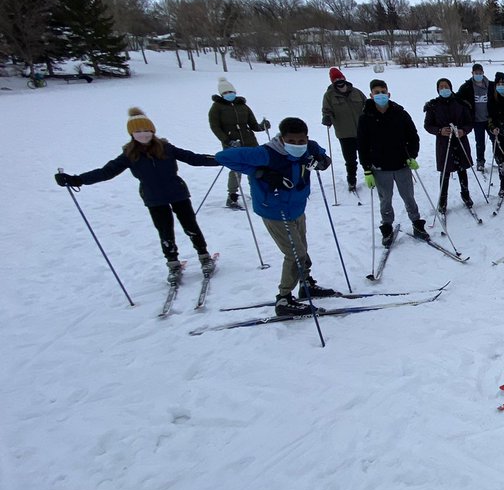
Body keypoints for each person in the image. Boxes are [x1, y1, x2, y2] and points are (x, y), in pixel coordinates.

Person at [56, 107, 220, 284]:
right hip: (153, 197)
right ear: (132, 133)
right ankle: (173, 264)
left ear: (152, 131)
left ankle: (204, 256)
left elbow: (194, 158)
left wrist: (223, 159)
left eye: (146, 131)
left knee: (190, 226)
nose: (143, 135)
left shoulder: (166, 148)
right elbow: (107, 172)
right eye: (138, 131)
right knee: (165, 231)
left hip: (177, 193)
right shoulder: (129, 154)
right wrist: (77, 180)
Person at [216, 117, 337, 315]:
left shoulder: (310, 147)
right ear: (281, 139)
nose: (297, 145)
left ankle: (305, 283)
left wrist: (322, 162)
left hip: (297, 206)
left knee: (302, 248)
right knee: (294, 253)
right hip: (274, 209)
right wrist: (260, 173)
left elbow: (323, 158)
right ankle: (284, 298)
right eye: (292, 141)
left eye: (301, 141)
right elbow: (223, 157)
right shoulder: (265, 154)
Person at [357, 78, 428, 245]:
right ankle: (387, 227)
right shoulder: (365, 117)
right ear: (371, 95)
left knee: (408, 196)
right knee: (385, 199)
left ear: (388, 94)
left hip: (402, 164)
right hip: (380, 168)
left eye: (383, 92)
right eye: (377, 93)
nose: (380, 95)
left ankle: (417, 224)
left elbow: (413, 136)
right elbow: (362, 145)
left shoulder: (400, 113)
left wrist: (412, 155)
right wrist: (367, 169)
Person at [208, 77, 269, 209]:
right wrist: (227, 140)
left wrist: (262, 126)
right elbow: (215, 127)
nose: (229, 94)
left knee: (256, 166)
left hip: (250, 141)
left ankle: (257, 192)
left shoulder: (243, 106)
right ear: (221, 94)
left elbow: (253, 125)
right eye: (225, 93)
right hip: (232, 144)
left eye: (231, 91)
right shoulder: (216, 108)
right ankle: (232, 196)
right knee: (236, 169)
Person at [423, 77, 474, 214]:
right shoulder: (433, 106)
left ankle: (465, 194)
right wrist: (439, 131)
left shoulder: (460, 103)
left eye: (446, 86)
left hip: (460, 141)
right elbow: (428, 125)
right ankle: (443, 200)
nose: (444, 89)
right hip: (444, 143)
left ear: (451, 88)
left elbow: (470, 123)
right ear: (438, 89)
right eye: (441, 87)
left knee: (462, 169)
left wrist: (463, 130)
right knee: (445, 171)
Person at [321, 67, 368, 191]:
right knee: (351, 160)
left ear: (344, 78)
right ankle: (351, 181)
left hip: (362, 131)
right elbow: (326, 110)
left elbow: (367, 104)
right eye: (336, 79)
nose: (339, 81)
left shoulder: (356, 92)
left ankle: (372, 176)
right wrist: (327, 117)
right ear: (332, 81)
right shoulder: (329, 96)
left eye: (340, 78)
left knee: (367, 156)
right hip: (345, 133)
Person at [456, 63, 493, 172]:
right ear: (472, 73)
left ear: (483, 73)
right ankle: (480, 161)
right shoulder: (467, 87)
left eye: (480, 73)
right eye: (476, 73)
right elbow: (458, 98)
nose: (478, 75)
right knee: (480, 142)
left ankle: (499, 158)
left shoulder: (490, 85)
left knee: (495, 139)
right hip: (477, 120)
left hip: (489, 119)